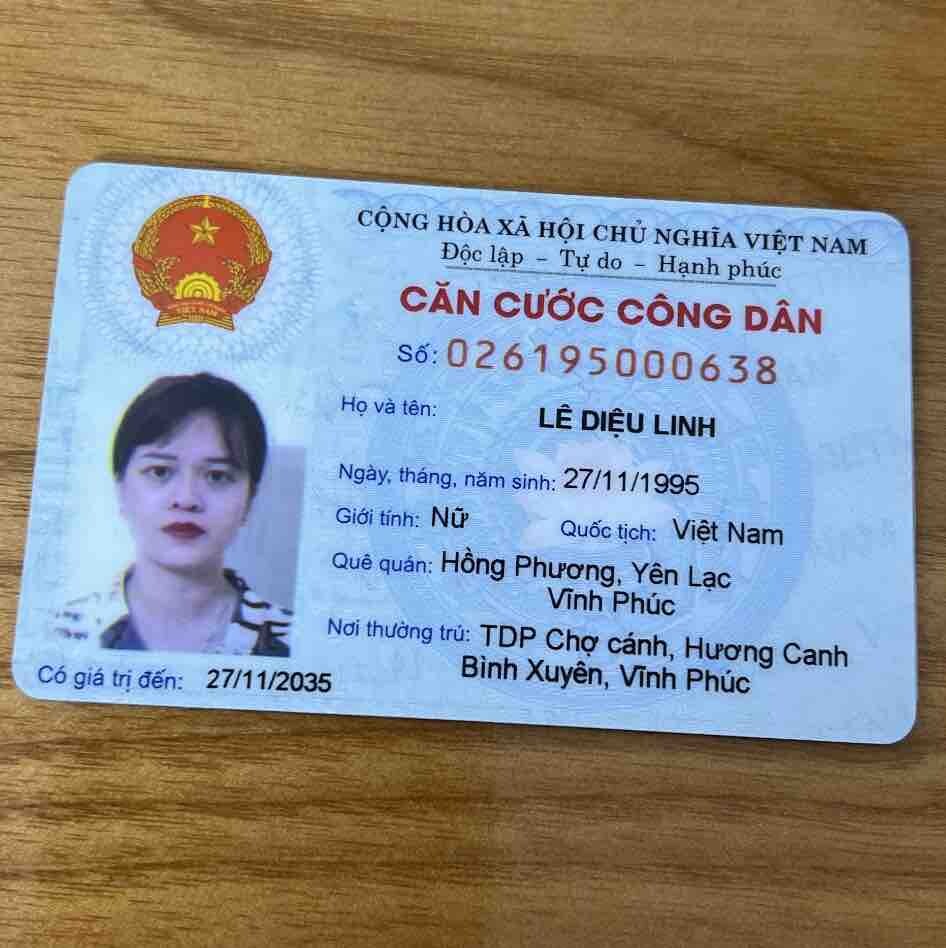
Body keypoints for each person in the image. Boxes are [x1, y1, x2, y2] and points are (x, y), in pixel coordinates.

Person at [54, 373, 291, 656]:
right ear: (121, 490)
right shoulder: (54, 636)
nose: (186, 499)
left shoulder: (298, 642)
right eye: (160, 471)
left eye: (217, 476)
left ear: (250, 500)